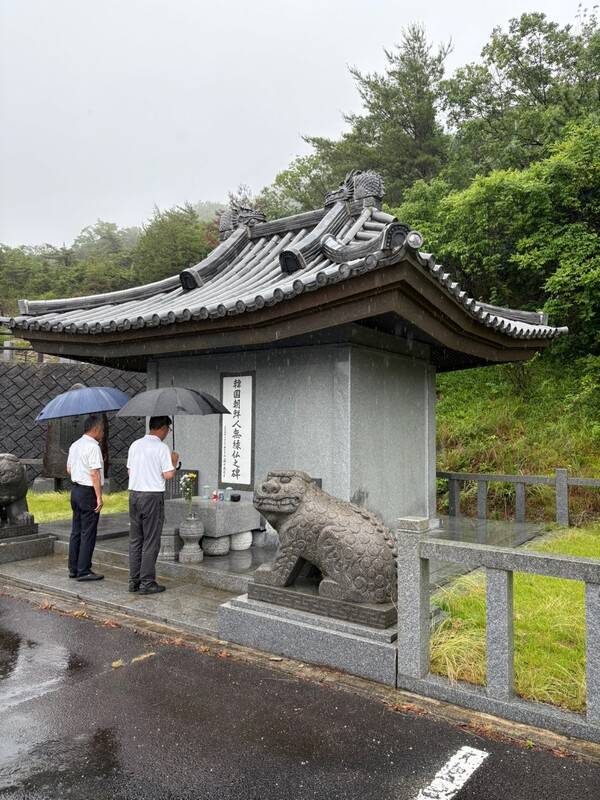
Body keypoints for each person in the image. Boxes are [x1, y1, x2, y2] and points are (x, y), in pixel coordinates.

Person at [127, 416, 179, 595]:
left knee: (136, 540)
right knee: (151, 540)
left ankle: (134, 581)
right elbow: (168, 475)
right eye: (168, 430)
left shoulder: (135, 444)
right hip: (152, 497)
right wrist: (173, 462)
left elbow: (129, 470)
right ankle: (147, 582)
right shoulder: (162, 447)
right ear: (163, 428)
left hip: (134, 494)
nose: (167, 434)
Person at [66, 414, 105, 581]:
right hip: (88, 492)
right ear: (95, 429)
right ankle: (84, 570)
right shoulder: (93, 447)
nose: (102, 433)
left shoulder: (75, 445)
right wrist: (99, 497)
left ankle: (73, 568)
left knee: (76, 530)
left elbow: (69, 469)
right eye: (102, 429)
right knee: (88, 532)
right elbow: (94, 473)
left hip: (75, 491)